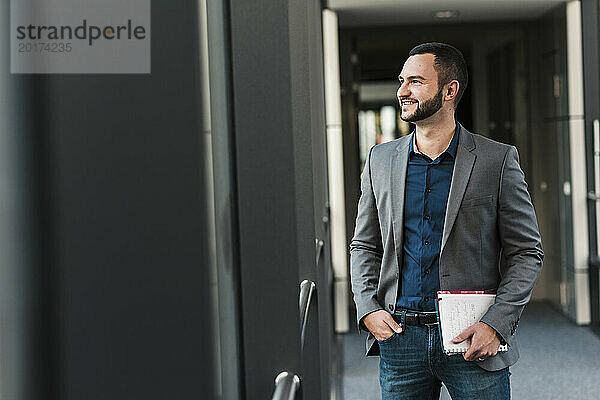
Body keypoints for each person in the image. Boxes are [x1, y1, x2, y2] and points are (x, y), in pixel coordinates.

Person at [349, 42, 543, 400]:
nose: (402, 91)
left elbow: (527, 253)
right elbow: (364, 244)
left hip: (472, 338)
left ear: (449, 90)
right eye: (402, 80)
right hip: (399, 337)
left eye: (416, 81)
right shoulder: (380, 160)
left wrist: (496, 325)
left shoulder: (496, 160)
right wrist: (368, 309)